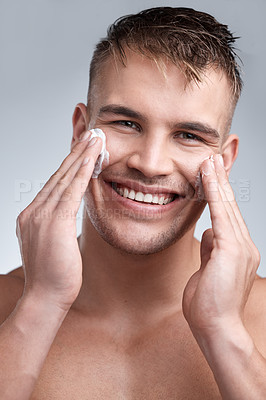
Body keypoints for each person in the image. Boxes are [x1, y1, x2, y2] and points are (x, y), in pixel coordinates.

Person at [0, 6, 265, 399]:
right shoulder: (11, 307)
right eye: (126, 123)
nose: (151, 164)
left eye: (189, 135)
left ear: (223, 162)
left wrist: (224, 333)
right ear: (79, 132)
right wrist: (40, 305)